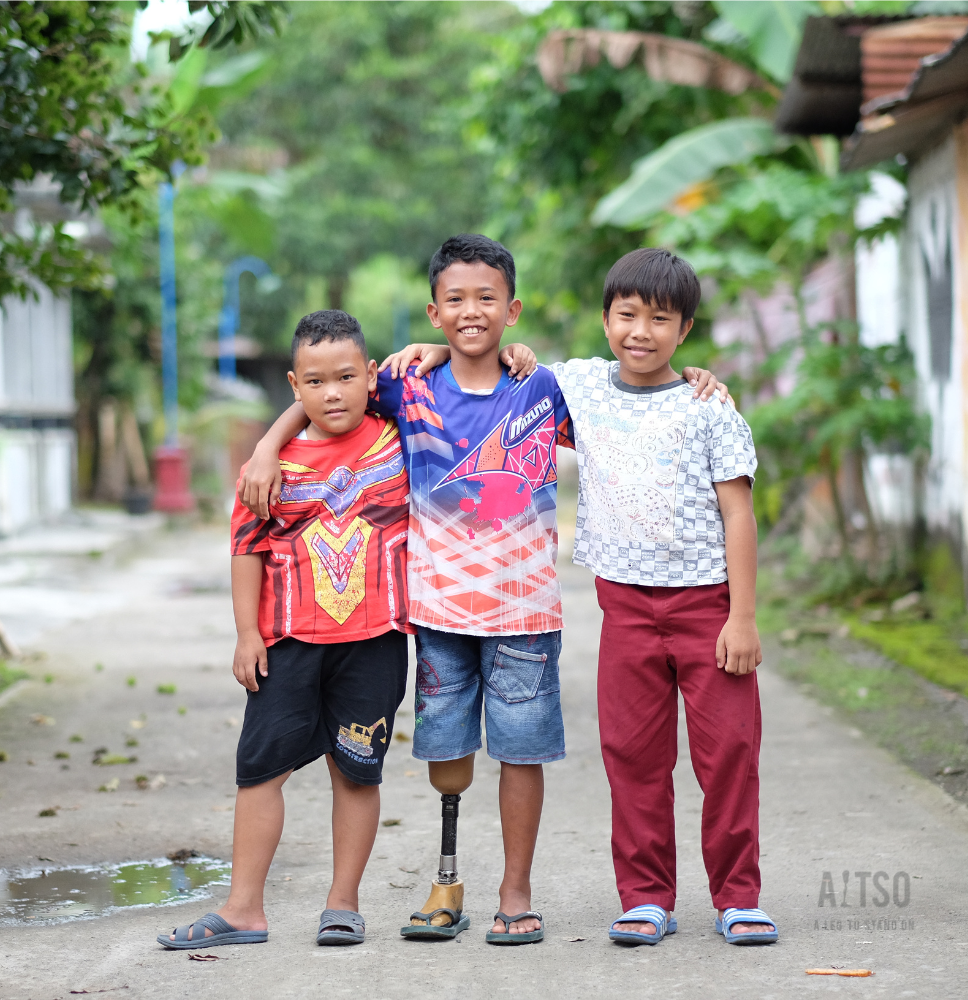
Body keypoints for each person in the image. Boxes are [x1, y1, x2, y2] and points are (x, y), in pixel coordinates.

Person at [238, 235, 724, 945]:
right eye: (457, 300)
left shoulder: (546, 388)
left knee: (521, 753)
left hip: (525, 613)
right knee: (448, 758)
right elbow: (324, 391)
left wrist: (699, 379)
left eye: (487, 298)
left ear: (513, 309)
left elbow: (635, 395)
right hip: (437, 617)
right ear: (434, 314)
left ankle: (515, 890)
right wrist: (263, 448)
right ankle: (447, 880)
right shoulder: (406, 385)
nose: (472, 312)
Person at [388, 247, 775, 948]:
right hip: (624, 606)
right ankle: (648, 897)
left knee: (729, 755)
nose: (641, 332)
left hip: (706, 607)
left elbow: (739, 514)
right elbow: (483, 350)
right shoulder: (580, 387)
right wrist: (428, 346)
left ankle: (738, 897)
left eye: (661, 320)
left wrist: (743, 617)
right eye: (627, 315)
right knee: (631, 755)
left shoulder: (707, 406)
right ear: (605, 320)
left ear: (684, 330)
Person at [157, 309, 412, 951]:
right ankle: (244, 909)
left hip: (375, 641)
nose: (333, 393)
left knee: (357, 772)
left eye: (347, 377)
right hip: (286, 646)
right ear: (295, 387)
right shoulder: (267, 471)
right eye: (317, 382)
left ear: (371, 377)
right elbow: (245, 548)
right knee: (259, 770)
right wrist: (247, 632)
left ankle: (342, 905)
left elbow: (444, 363)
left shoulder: (398, 437)